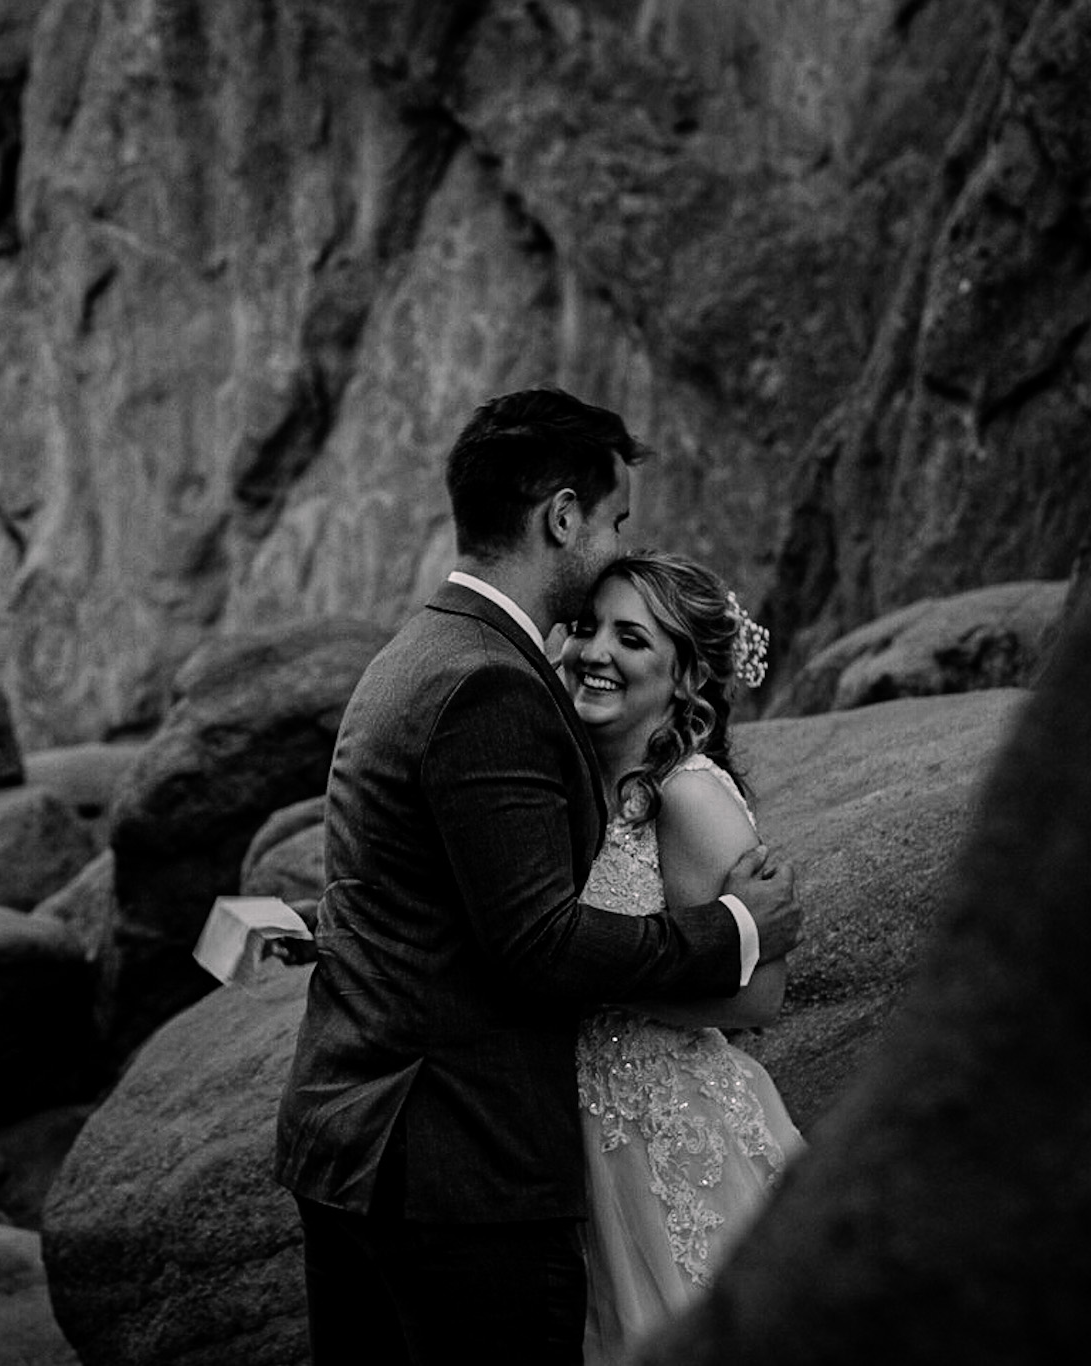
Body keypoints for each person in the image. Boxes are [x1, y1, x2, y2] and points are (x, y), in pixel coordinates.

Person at [273, 386, 801, 1366]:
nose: (614, 545)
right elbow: (535, 945)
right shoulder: (488, 681)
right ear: (561, 517)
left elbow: (441, 893)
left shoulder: (417, 651)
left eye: (632, 637)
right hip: (453, 1165)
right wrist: (735, 927)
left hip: (375, 1144)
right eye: (613, 521)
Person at [560, 551, 805, 1364]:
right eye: (587, 627)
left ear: (685, 676)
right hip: (582, 1139)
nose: (596, 652)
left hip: (673, 1132)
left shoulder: (691, 795)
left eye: (631, 638)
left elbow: (759, 997)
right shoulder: (575, 780)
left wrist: (582, 985)